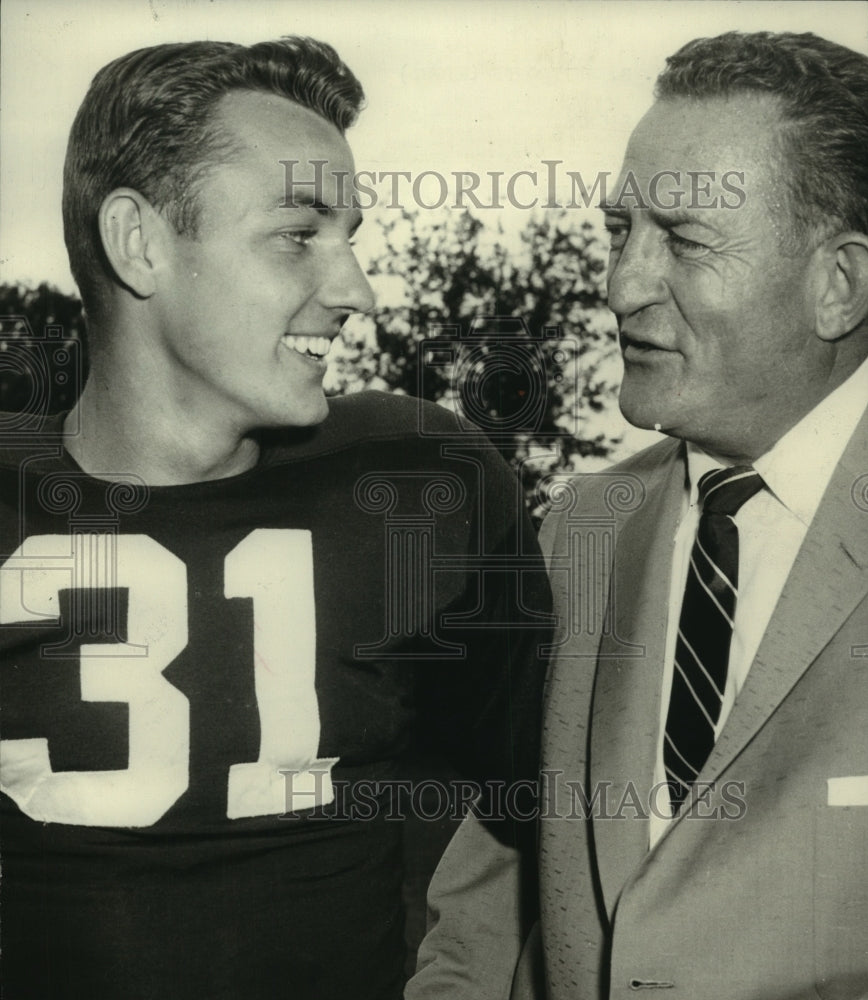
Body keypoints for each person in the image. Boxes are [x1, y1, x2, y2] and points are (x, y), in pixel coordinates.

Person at [0, 37, 551, 999]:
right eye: (297, 235)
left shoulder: (422, 477)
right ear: (139, 242)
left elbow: (557, 798)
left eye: (351, 240)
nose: (354, 293)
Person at [409, 30, 868, 1000]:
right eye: (620, 231)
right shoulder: (580, 528)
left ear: (838, 284)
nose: (619, 286)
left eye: (684, 241)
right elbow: (486, 895)